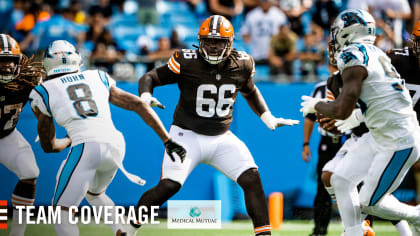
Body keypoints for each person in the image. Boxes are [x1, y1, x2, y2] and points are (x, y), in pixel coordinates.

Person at [125, 15, 299, 236]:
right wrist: (146, 95)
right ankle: (128, 228)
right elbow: (150, 77)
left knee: (251, 178)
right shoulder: (186, 60)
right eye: (209, 41)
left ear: (230, 43)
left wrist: (267, 116)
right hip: (185, 136)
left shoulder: (242, 63)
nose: (214, 46)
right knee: (169, 185)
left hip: (222, 138)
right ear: (200, 41)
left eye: (218, 41)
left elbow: (250, 91)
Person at [29, 40, 186, 236]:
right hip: (115, 144)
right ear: (77, 59)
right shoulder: (98, 76)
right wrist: (167, 140)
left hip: (86, 147)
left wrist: (69, 140)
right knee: (95, 194)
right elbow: (139, 105)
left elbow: (49, 146)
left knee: (62, 212)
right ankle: (123, 231)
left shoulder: (42, 91)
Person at [300, 9, 420, 235]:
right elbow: (381, 99)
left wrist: (315, 106)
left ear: (348, 32)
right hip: (380, 133)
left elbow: (341, 109)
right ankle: (354, 231)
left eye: (337, 32)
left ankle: (416, 216)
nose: (334, 38)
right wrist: (357, 116)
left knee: (369, 202)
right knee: (339, 179)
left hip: (398, 140)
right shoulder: (376, 52)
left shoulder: (352, 55)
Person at [0, 34, 44, 236]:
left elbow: (48, 97)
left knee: (30, 172)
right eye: (2, 61)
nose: (7, 66)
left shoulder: (28, 76)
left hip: (7, 135)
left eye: (11, 61)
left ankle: (17, 233)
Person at [302, 76, 344, 236]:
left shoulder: (352, 82)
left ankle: (361, 226)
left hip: (350, 140)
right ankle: (319, 229)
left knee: (356, 185)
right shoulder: (321, 88)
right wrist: (305, 144)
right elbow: (310, 118)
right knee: (323, 186)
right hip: (327, 142)